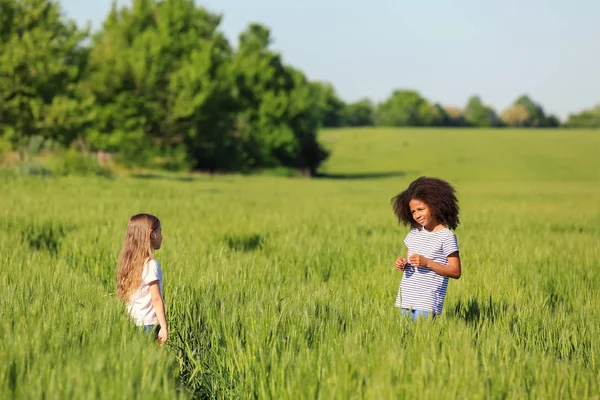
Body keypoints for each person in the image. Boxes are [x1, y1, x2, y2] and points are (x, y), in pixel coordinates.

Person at [391, 177, 461, 321]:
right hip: (406, 299)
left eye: (421, 209)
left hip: (428, 302)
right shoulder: (414, 233)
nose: (417, 215)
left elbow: (455, 271)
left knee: (424, 340)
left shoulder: (446, 237)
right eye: (413, 212)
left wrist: (427, 263)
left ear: (435, 206)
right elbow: (409, 261)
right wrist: (403, 263)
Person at [115, 213, 168, 344]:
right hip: (149, 325)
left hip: (132, 324)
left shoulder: (130, 264)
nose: (161, 236)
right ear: (152, 234)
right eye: (160, 231)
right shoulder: (151, 264)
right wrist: (164, 327)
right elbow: (156, 299)